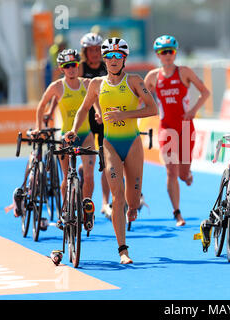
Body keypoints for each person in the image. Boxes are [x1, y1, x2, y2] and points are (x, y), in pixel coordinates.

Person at [64, 37, 158, 264]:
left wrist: (123, 115)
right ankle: (123, 250)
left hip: (133, 144)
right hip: (110, 145)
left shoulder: (134, 80)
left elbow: (152, 108)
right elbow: (83, 109)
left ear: (124, 59)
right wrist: (74, 131)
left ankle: (133, 209)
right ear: (105, 59)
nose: (113, 60)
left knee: (132, 201)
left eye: (118, 56)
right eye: (110, 56)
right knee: (117, 196)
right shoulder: (96, 84)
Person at [144, 35, 210, 227]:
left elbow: (205, 92)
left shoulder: (184, 72)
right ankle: (177, 213)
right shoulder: (153, 77)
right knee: (171, 171)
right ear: (157, 54)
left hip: (185, 126)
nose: (167, 55)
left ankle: (187, 175)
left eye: (170, 51)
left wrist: (193, 110)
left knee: (182, 173)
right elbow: (140, 97)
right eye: (163, 52)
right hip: (166, 128)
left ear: (175, 53)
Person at [32, 49, 96, 223]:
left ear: (78, 65)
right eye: (67, 66)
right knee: (67, 177)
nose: (71, 69)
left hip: (86, 135)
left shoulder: (88, 84)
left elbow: (97, 103)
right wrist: (39, 127)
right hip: (66, 137)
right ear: (61, 68)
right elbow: (41, 106)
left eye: (74, 65)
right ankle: (65, 211)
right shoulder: (57, 86)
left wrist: (98, 113)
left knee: (89, 176)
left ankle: (85, 210)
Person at [78, 32, 113, 218]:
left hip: (104, 119)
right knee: (89, 161)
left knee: (106, 162)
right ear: (85, 52)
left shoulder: (107, 67)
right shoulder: (80, 68)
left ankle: (105, 202)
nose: (95, 53)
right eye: (90, 50)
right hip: (86, 120)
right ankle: (84, 170)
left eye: (98, 49)